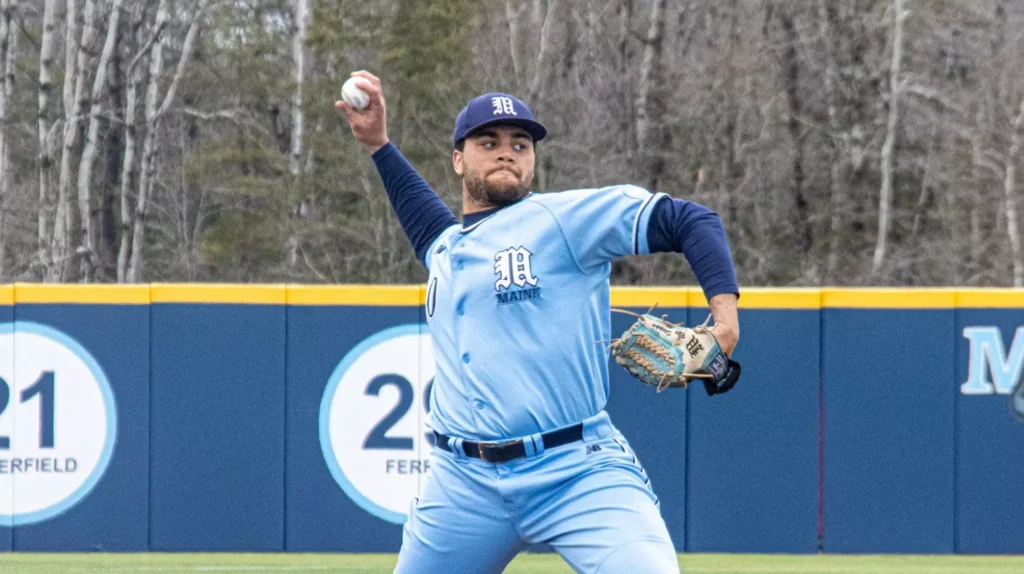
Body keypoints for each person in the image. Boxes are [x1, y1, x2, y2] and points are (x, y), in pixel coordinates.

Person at [335, 70, 740, 574]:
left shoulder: (564, 220)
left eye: (520, 143)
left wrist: (725, 325)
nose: (507, 151)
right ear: (458, 159)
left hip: (576, 468)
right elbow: (425, 222)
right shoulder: (447, 250)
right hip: (463, 485)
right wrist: (378, 145)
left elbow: (692, 220)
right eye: (489, 141)